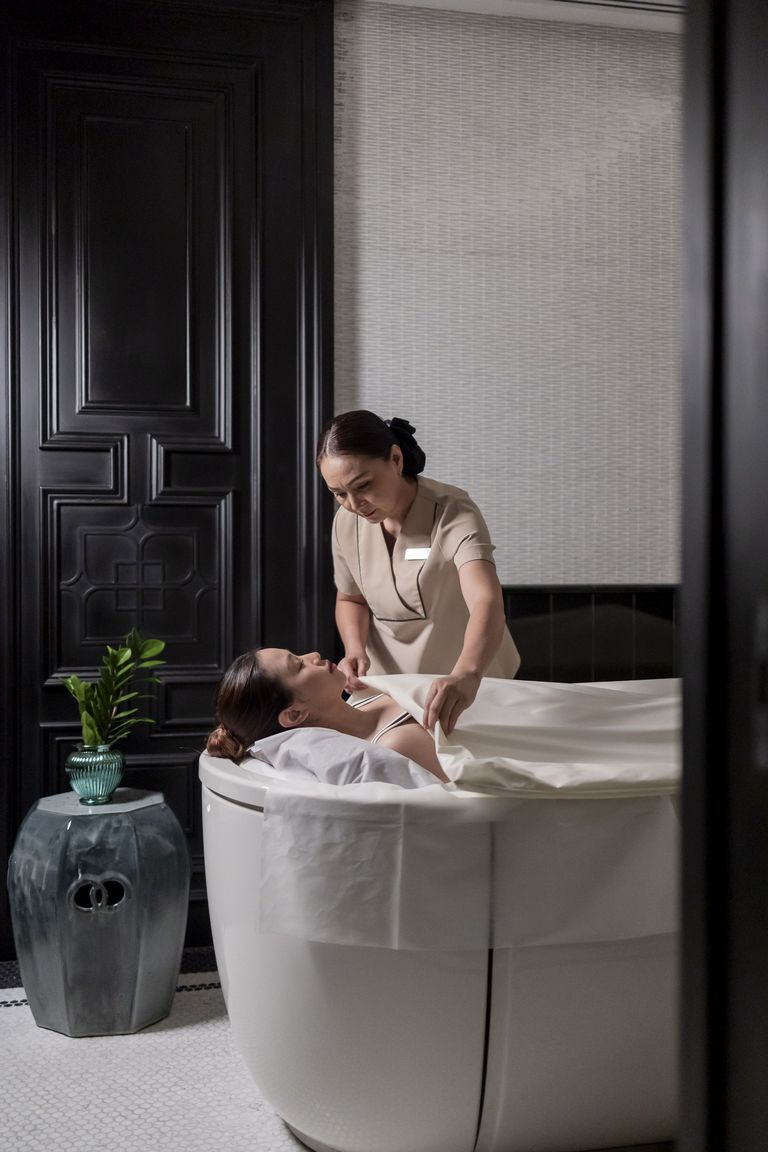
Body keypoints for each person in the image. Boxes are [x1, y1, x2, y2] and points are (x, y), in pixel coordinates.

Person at [316, 410, 520, 735]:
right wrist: (354, 650)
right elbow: (351, 599)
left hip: (463, 685)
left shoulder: (453, 510)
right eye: (339, 494)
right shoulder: (346, 521)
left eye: (363, 486)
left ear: (396, 459)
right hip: (388, 688)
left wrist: (467, 674)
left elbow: (486, 601)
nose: (354, 504)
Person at [206, 648, 449, 782]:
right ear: (294, 714)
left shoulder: (366, 697)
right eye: (299, 665)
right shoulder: (397, 744)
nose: (313, 655)